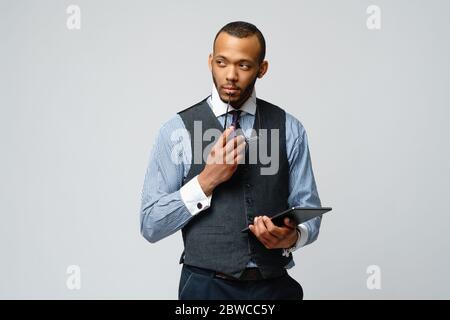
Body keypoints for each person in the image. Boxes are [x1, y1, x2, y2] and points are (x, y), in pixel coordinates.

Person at [140, 21, 322, 300]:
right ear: (211, 61)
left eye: (244, 65)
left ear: (262, 69)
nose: (231, 75)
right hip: (205, 289)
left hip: (274, 288)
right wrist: (205, 181)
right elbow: (151, 224)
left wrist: (293, 237)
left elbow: (309, 211)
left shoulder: (290, 129)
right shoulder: (176, 131)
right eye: (222, 63)